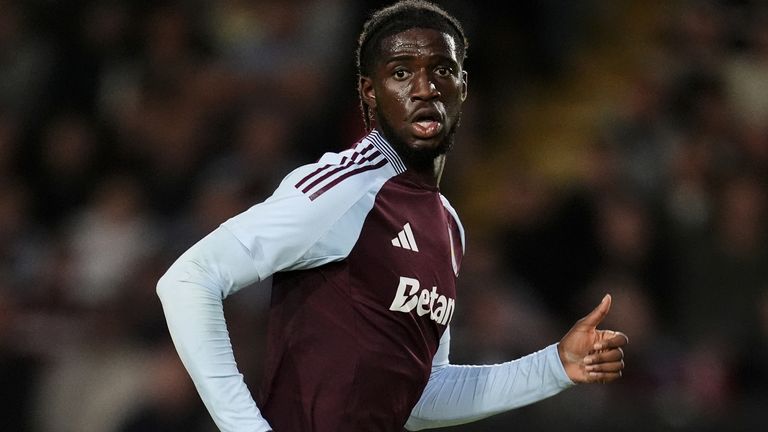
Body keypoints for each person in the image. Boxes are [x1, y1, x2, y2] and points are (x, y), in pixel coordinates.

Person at [156, 1, 629, 431]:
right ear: (370, 93)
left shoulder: (447, 225)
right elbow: (188, 280)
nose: (424, 88)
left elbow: (421, 397)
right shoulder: (343, 188)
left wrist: (554, 366)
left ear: (463, 87)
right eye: (401, 73)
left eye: (442, 70)